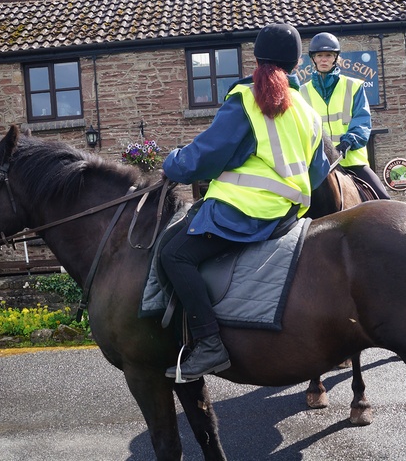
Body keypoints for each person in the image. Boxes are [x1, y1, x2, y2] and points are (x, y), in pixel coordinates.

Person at [160, 23, 330, 381]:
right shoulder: (309, 112)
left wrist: (172, 162)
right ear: (298, 63)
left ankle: (208, 344)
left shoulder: (246, 98)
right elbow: (317, 175)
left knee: (173, 255)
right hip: (287, 217)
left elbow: (203, 158)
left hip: (241, 213)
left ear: (255, 59)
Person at [300, 32, 391, 199]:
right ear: (313, 59)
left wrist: (349, 141)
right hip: (318, 165)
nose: (324, 59)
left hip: (352, 161)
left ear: (336, 57)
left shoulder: (353, 86)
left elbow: (362, 120)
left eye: (328, 55)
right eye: (319, 55)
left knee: (384, 200)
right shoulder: (302, 91)